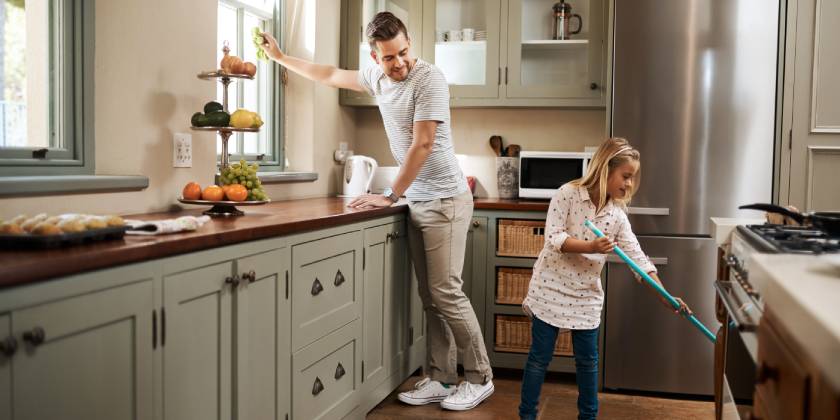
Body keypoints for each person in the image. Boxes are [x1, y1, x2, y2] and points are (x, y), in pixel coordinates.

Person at [257, 11, 494, 411]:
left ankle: (479, 376)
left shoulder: (429, 79)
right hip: (417, 199)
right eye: (388, 57)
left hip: (445, 199)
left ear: (409, 43)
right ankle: (440, 376)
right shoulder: (375, 78)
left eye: (403, 52)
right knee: (431, 296)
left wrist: (388, 194)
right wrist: (281, 58)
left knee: (446, 293)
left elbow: (423, 144)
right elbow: (329, 74)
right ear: (374, 56)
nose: (398, 63)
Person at [518, 137, 693, 420]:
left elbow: (639, 259)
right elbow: (554, 238)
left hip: (586, 295)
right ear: (605, 169)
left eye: (632, 178)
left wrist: (666, 297)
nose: (629, 184)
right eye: (626, 176)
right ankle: (527, 415)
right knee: (539, 358)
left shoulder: (617, 217)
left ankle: (588, 417)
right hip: (550, 287)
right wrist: (590, 247)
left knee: (588, 362)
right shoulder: (568, 193)